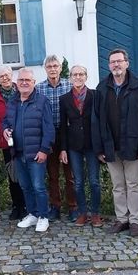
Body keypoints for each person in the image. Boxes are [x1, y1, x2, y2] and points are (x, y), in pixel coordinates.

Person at [92, 49, 138, 237]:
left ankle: (135, 221)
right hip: (110, 146)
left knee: (133, 184)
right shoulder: (102, 88)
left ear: (127, 63)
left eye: (119, 61)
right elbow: (95, 120)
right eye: (113, 62)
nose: (116, 65)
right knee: (118, 185)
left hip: (134, 147)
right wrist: (99, 148)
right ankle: (122, 219)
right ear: (109, 65)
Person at [3, 68, 55, 232]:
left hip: (36, 153)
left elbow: (49, 128)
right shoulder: (12, 101)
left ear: (33, 83)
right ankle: (32, 214)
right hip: (18, 153)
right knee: (25, 186)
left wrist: (44, 150)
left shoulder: (42, 101)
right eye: (21, 80)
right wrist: (5, 130)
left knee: (38, 186)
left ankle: (43, 216)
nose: (24, 83)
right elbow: (6, 121)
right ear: (16, 83)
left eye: (28, 80)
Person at [35, 55, 77, 222]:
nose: (53, 69)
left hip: (67, 133)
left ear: (60, 68)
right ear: (45, 69)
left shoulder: (69, 85)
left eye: (55, 66)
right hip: (48, 135)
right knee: (52, 174)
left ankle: (73, 207)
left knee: (70, 174)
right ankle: (55, 206)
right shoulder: (39, 88)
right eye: (49, 66)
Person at [58, 65, 102, 228]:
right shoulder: (64, 99)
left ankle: (96, 214)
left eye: (81, 74)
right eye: (75, 74)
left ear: (86, 76)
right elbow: (62, 125)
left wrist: (102, 146)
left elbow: (101, 121)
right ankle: (82, 213)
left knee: (94, 181)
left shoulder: (95, 96)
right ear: (70, 78)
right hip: (74, 145)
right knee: (77, 182)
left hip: (92, 144)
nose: (78, 77)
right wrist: (63, 148)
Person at [0, 65, 26, 220]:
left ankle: (26, 206)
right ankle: (16, 206)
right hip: (7, 141)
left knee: (25, 173)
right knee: (12, 175)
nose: (5, 78)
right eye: (1, 76)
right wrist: (5, 133)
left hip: (24, 140)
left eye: (7, 75)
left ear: (12, 75)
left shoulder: (21, 91)